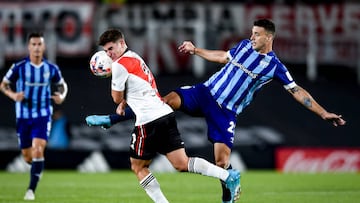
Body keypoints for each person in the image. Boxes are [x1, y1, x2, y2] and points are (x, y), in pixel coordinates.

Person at [86, 19, 346, 202]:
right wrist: (196, 50)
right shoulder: (244, 46)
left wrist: (323, 113)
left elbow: (297, 90)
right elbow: (223, 56)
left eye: (257, 34)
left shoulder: (275, 67)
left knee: (222, 162)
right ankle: (112, 118)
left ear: (269, 37)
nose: (252, 37)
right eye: (252, 33)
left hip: (226, 111)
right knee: (164, 101)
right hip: (205, 93)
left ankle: (228, 193)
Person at [93, 28, 240, 203]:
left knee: (138, 166)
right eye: (106, 51)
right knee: (182, 163)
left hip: (147, 122)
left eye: (111, 49)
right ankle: (226, 175)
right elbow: (146, 87)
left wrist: (110, 77)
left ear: (122, 43)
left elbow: (116, 97)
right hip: (165, 115)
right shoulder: (135, 57)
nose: (109, 54)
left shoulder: (118, 65)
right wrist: (127, 100)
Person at [0, 32, 68, 201]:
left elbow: (62, 86)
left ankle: (31, 190)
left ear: (44, 47)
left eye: (40, 44)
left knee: (38, 149)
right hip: (23, 116)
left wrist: (62, 96)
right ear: (29, 47)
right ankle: (37, 168)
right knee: (27, 156)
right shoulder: (19, 67)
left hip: (43, 114)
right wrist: (13, 95)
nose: (37, 47)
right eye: (34, 44)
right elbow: (3, 85)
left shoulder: (51, 68)